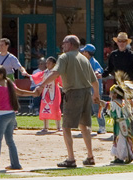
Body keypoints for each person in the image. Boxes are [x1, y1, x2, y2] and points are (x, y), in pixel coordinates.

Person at [33, 35, 100, 169]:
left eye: (63, 43)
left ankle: (71, 158)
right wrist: (96, 95)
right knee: (85, 125)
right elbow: (94, 80)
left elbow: (55, 73)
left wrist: (41, 85)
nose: (62, 46)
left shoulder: (64, 57)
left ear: (70, 44)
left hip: (73, 93)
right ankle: (90, 156)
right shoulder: (84, 58)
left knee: (66, 127)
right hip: (86, 92)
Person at [103, 32, 133, 135]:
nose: (121, 43)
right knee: (117, 106)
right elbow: (109, 68)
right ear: (117, 42)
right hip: (118, 84)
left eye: (124, 41)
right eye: (120, 41)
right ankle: (120, 127)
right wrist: (102, 74)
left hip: (130, 84)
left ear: (126, 42)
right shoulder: (113, 55)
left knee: (132, 106)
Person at [100, 73, 133, 164]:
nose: (110, 95)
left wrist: (102, 103)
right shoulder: (123, 102)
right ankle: (121, 156)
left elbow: (108, 106)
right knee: (122, 139)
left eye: (111, 93)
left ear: (116, 95)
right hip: (122, 124)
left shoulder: (117, 103)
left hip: (121, 124)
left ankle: (122, 157)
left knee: (121, 140)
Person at [80, 44, 107, 134]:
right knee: (86, 109)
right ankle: (87, 126)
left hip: (95, 90)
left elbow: (99, 70)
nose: (82, 53)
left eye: (84, 52)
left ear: (87, 53)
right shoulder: (85, 62)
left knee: (97, 109)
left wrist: (97, 72)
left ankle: (102, 127)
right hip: (86, 89)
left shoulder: (93, 62)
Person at [34, 56, 62, 133]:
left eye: (49, 63)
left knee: (56, 108)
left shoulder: (56, 72)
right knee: (44, 107)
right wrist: (29, 75)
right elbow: (36, 77)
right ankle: (45, 127)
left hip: (54, 92)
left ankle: (58, 127)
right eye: (46, 63)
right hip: (45, 92)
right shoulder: (44, 72)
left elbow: (62, 81)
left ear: (53, 64)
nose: (47, 64)